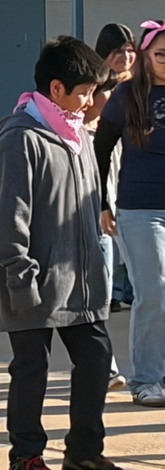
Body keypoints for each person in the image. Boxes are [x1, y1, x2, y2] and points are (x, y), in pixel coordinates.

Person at [0, 37, 128, 470]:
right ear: (56, 87)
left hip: (79, 284)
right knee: (32, 369)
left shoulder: (78, 137)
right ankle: (25, 458)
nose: (90, 103)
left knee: (96, 357)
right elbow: (10, 218)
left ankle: (84, 452)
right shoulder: (20, 139)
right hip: (31, 281)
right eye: (84, 92)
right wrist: (20, 279)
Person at [96, 20, 165, 408]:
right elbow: (101, 152)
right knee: (152, 291)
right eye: (160, 55)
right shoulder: (125, 96)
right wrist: (103, 203)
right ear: (145, 57)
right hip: (140, 209)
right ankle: (146, 379)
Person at [82, 71, 126, 390]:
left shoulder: (113, 131)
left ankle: (104, 365)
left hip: (106, 223)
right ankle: (103, 366)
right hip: (84, 224)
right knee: (93, 297)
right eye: (102, 92)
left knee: (102, 296)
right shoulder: (73, 135)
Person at [95, 23, 137, 311]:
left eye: (129, 50)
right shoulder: (100, 88)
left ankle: (132, 291)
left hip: (131, 160)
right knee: (109, 229)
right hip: (107, 159)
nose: (124, 56)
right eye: (117, 51)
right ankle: (107, 294)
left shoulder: (140, 82)